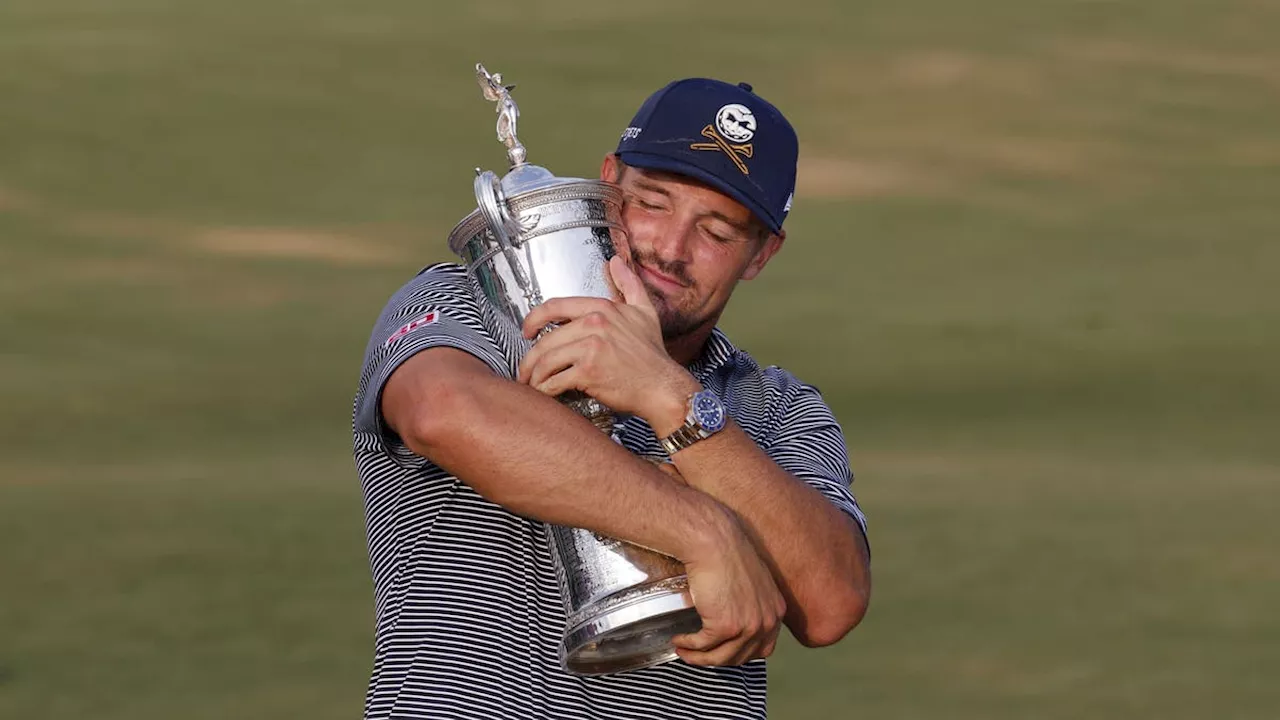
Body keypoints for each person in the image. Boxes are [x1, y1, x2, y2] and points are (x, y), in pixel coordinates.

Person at [352, 77, 871, 720]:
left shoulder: (779, 406)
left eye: (716, 231)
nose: (670, 249)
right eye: (652, 202)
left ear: (762, 253)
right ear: (608, 183)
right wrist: (705, 531)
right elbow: (443, 413)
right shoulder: (466, 307)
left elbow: (830, 601)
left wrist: (665, 393)